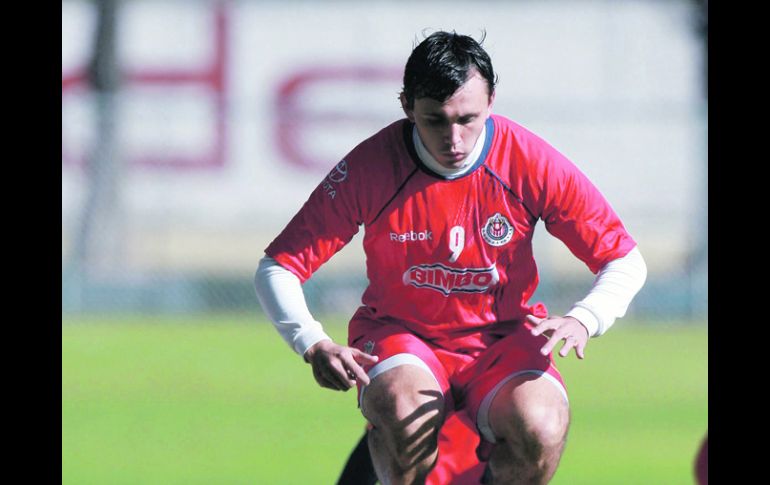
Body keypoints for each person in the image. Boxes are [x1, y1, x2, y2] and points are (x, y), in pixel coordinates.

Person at [255, 30, 647, 484]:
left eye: (468, 119)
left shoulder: (530, 162)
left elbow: (624, 259)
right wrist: (311, 342)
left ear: (492, 101)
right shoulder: (371, 168)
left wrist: (586, 317)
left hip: (502, 338)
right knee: (406, 410)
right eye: (436, 121)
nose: (454, 139)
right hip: (402, 337)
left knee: (542, 424)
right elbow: (279, 265)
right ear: (407, 106)